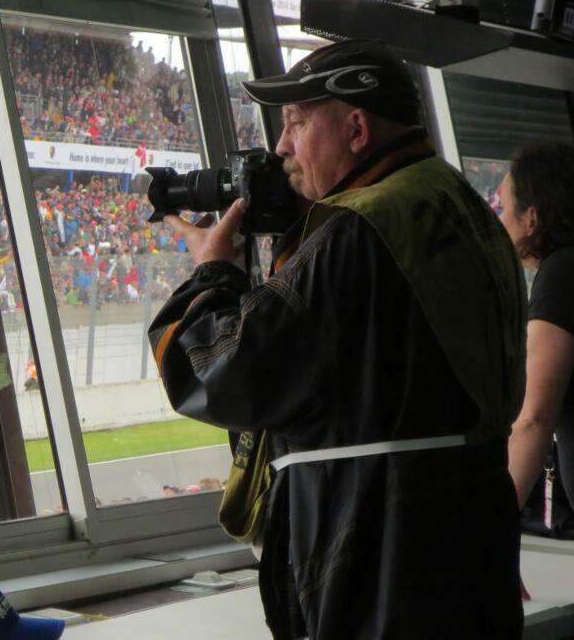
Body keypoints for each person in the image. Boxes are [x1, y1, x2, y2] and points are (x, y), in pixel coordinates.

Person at [148, 40, 526, 639]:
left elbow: (218, 371)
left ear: (356, 128)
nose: (280, 147)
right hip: (465, 540)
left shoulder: (359, 227)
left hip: (379, 555)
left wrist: (214, 272)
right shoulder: (462, 206)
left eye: (297, 122)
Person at [500, 143, 574, 515]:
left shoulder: (562, 272)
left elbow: (535, 416)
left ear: (532, 216)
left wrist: (492, 523)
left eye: (503, 207)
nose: (500, 220)